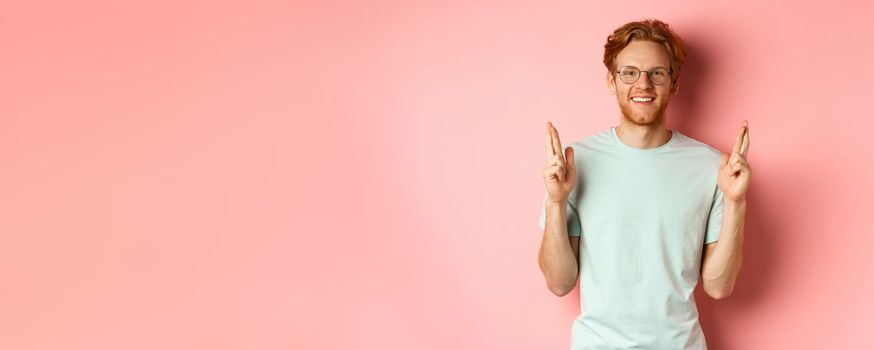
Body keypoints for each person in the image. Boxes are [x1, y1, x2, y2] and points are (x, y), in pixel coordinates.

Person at [537, 19, 750, 349]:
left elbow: (718, 287)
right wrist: (556, 201)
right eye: (630, 72)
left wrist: (735, 202)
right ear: (612, 81)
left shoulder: (711, 167)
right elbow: (559, 282)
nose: (644, 84)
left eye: (657, 73)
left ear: (674, 83)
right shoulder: (576, 162)